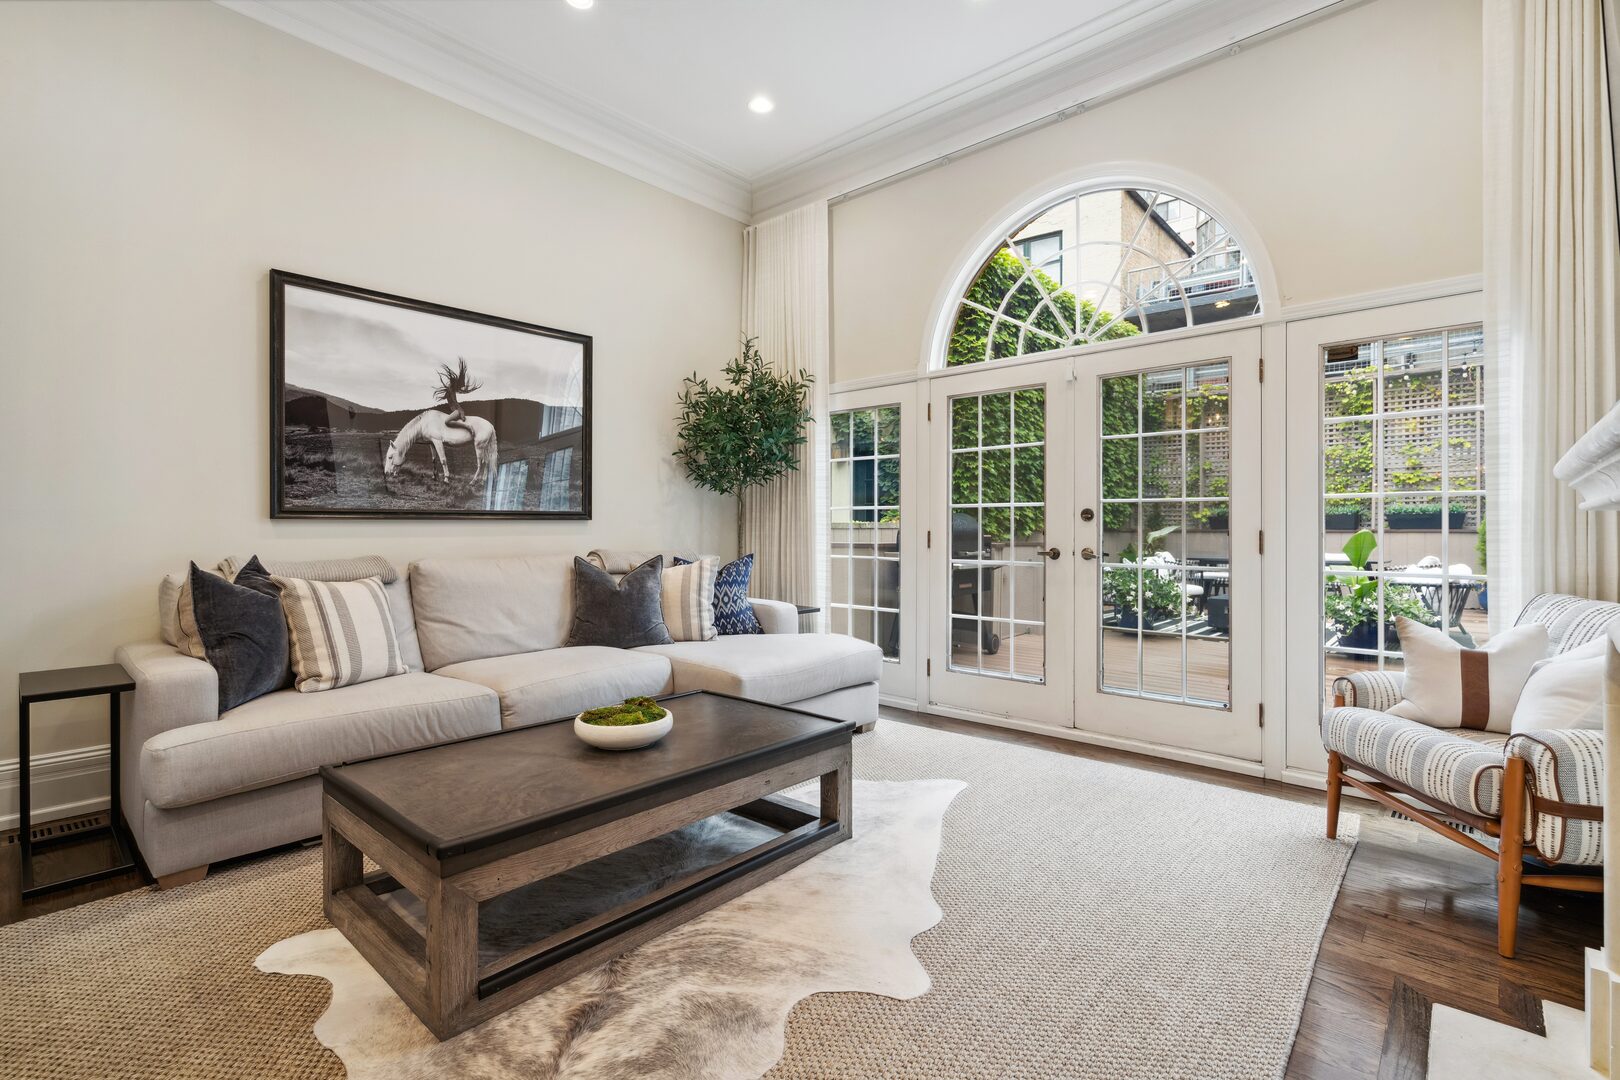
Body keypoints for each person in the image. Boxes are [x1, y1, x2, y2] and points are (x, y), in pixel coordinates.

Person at [434, 359, 482, 434]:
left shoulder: (451, 391)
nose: (449, 384)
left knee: (447, 422)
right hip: (455, 411)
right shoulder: (449, 390)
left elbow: (455, 403)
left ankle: (467, 427)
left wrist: (461, 412)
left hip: (457, 411)